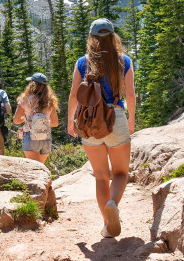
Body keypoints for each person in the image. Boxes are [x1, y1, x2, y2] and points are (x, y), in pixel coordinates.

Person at [67, 18, 136, 239]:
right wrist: (131, 120)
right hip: (115, 117)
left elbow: (73, 95)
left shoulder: (81, 62)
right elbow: (131, 94)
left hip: (89, 122)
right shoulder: (123, 61)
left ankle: (107, 226)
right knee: (121, 173)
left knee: (100, 176)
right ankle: (113, 204)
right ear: (113, 37)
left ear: (91, 38)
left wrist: (71, 121)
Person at [12, 72, 59, 163]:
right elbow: (55, 123)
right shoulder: (50, 101)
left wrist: (28, 120)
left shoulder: (25, 99)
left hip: (30, 137)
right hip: (46, 137)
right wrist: (42, 122)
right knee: (41, 167)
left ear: (32, 85)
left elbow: (16, 121)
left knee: (34, 169)